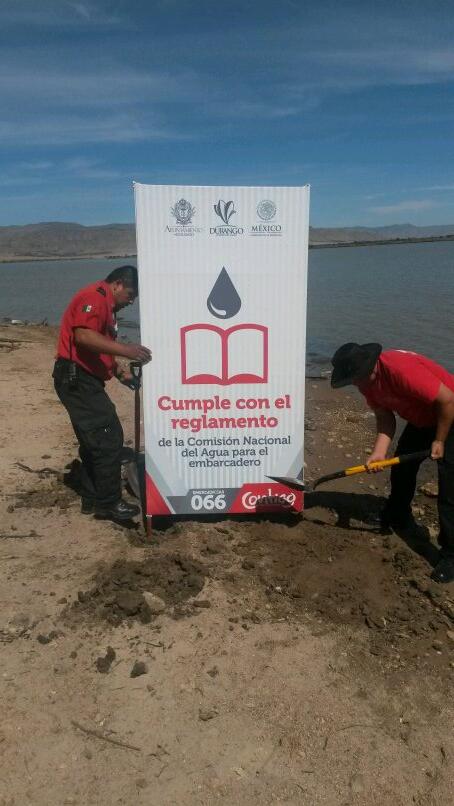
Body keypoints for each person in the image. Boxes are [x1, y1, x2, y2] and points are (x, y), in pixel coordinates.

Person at [331, 342, 454, 583]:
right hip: (423, 418)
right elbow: (385, 417)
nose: (356, 385)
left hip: (449, 415)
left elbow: (448, 400)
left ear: (371, 368)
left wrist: (439, 440)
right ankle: (398, 514)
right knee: (402, 470)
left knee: (449, 490)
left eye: (356, 379)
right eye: (352, 381)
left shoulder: (400, 369)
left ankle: (451, 554)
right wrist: (379, 453)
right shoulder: (366, 383)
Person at [53, 265, 151, 522]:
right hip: (77, 379)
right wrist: (127, 350)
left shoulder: (106, 306)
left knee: (93, 440)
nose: (131, 301)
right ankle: (109, 503)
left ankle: (92, 497)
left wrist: (120, 373)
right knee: (109, 436)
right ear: (117, 284)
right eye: (130, 294)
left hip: (81, 378)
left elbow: (98, 348)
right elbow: (84, 337)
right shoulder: (94, 297)